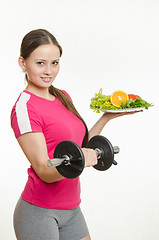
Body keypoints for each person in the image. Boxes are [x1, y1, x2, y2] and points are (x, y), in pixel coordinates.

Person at [11, 29, 137, 240]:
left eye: (55, 63)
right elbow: (44, 171)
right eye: (40, 63)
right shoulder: (24, 108)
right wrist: (79, 162)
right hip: (39, 211)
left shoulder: (62, 96)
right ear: (23, 63)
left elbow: (81, 145)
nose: (49, 71)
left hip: (72, 209)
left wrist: (106, 117)